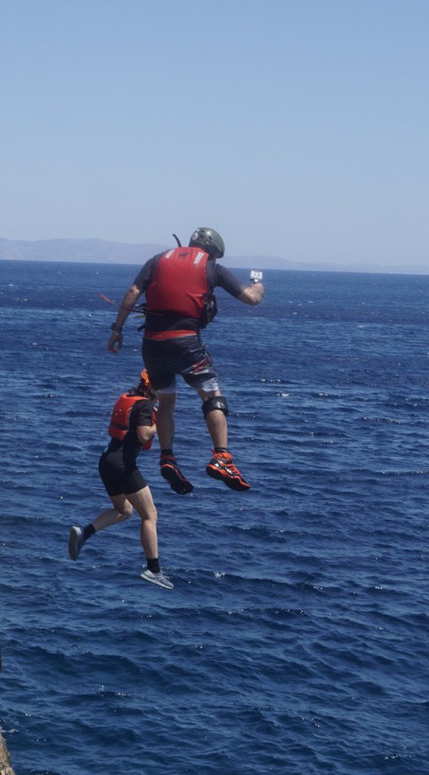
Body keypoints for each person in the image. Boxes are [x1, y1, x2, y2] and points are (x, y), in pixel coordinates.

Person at [106, 227, 264, 494]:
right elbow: (250, 299)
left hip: (153, 345)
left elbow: (133, 291)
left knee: (166, 401)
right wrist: (258, 286)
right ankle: (222, 458)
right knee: (212, 397)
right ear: (212, 250)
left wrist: (117, 330)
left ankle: (167, 457)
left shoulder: (158, 260)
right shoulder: (211, 267)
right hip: (186, 343)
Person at [68, 369, 173, 589]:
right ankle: (154, 570)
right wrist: (161, 423)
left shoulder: (129, 398)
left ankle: (83, 534)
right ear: (152, 388)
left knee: (124, 511)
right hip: (123, 464)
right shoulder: (145, 405)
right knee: (150, 514)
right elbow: (144, 434)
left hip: (106, 460)